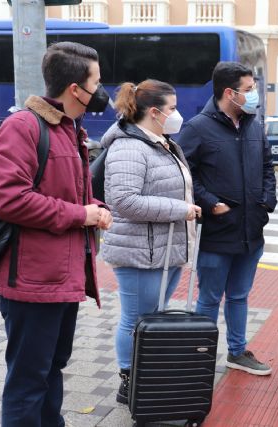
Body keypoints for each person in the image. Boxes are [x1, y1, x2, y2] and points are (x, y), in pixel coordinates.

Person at [0, 42, 112, 426]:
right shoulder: (23, 126)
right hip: (32, 280)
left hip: (62, 277)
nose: (101, 90)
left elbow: (70, 191)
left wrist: (95, 209)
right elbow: (6, 198)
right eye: (96, 81)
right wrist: (80, 215)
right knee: (28, 379)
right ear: (76, 88)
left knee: (52, 368)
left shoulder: (70, 128)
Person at [100, 79, 202, 404]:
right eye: (172, 108)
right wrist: (180, 209)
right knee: (136, 318)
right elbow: (124, 200)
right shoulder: (129, 146)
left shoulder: (160, 141)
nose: (177, 114)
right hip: (139, 252)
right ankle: (128, 380)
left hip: (163, 249)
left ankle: (144, 376)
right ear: (155, 112)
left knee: (152, 317)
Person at [178, 62, 276, 376]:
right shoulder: (197, 127)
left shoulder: (253, 124)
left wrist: (267, 203)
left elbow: (267, 168)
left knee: (238, 295)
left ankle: (237, 351)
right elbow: (184, 174)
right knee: (209, 298)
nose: (254, 95)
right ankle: (198, 355)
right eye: (248, 90)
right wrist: (209, 203)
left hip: (250, 231)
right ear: (229, 93)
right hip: (217, 233)